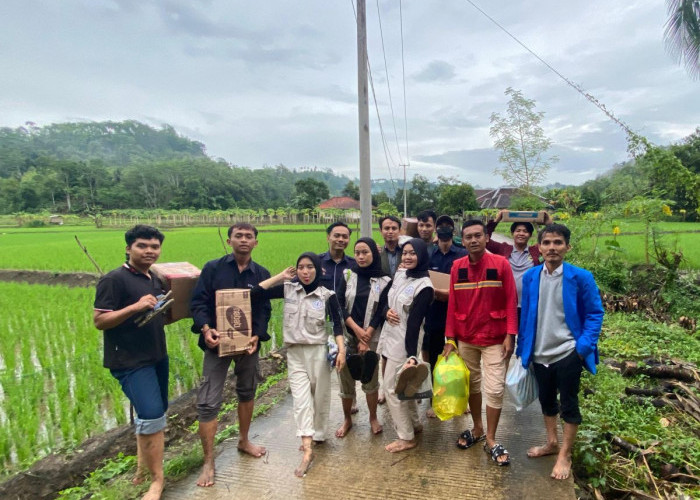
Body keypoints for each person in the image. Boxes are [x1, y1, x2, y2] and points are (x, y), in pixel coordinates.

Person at [516, 223, 604, 480]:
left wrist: (582, 348)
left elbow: (595, 313)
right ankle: (551, 443)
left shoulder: (581, 277)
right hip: (539, 353)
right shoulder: (531, 277)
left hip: (568, 352)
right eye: (547, 243)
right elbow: (527, 316)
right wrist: (523, 349)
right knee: (546, 401)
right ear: (539, 247)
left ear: (567, 246)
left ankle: (565, 454)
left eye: (557, 243)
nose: (552, 248)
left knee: (569, 404)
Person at [189, 223, 272, 488]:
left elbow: (263, 309)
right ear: (229, 241)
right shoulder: (213, 269)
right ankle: (209, 460)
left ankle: (244, 440)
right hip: (217, 344)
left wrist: (258, 335)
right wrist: (206, 329)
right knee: (208, 401)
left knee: (247, 391)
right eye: (239, 236)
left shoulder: (261, 273)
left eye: (249, 237)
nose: (244, 240)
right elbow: (198, 302)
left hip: (247, 344)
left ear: (256, 243)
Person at [252, 253, 346, 477]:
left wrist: (341, 350)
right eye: (301, 268)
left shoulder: (327, 295)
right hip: (294, 352)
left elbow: (337, 325)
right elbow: (255, 294)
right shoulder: (288, 289)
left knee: (320, 396)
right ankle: (307, 446)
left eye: (310, 267)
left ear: (319, 270)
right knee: (301, 399)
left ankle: (318, 434)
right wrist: (280, 277)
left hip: (319, 352)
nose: (305, 272)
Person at [93, 225, 168, 500]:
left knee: (153, 415)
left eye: (154, 247)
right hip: (130, 360)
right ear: (128, 248)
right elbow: (100, 320)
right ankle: (157, 480)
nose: (149, 251)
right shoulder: (113, 280)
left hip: (157, 355)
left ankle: (140, 468)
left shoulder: (154, 279)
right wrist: (136, 307)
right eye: (142, 246)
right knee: (151, 415)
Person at [443, 219, 518, 466]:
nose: (473, 240)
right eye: (468, 237)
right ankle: (477, 428)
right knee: (472, 385)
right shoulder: (457, 267)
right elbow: (453, 303)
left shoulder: (501, 264)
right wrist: (450, 338)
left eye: (478, 236)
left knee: (495, 388)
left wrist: (510, 334)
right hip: (466, 337)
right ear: (461, 241)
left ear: (486, 237)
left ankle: (492, 438)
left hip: (495, 338)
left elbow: (510, 300)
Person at [381, 238, 434, 453]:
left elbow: (414, 324)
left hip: (405, 342)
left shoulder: (425, 287)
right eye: (405, 253)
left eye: (413, 253)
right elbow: (387, 297)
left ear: (422, 255)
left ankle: (406, 436)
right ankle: (415, 423)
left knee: (392, 389)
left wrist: (412, 355)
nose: (408, 257)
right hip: (390, 336)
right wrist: (386, 310)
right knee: (406, 385)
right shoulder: (401, 273)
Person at [335, 237, 391, 437]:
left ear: (374, 254)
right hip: (349, 336)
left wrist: (367, 334)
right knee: (346, 379)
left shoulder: (384, 280)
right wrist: (356, 330)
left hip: (371, 336)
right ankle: (347, 419)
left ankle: (373, 417)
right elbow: (339, 304)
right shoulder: (348, 275)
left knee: (370, 379)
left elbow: (383, 308)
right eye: (357, 252)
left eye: (365, 252)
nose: (360, 256)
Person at [422, 215, 467, 417]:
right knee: (433, 358)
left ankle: (461, 399)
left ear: (453, 230)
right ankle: (434, 399)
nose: (445, 229)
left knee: (460, 358)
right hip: (433, 313)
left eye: (448, 226)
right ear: (436, 230)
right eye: (441, 226)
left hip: (458, 314)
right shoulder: (428, 254)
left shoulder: (462, 255)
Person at [486, 209, 552, 316]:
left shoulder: (537, 251)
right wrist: (496, 220)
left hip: (530, 305)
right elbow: (485, 240)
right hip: (506, 304)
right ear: (512, 233)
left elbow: (552, 239)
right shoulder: (503, 249)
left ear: (530, 235)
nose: (521, 233)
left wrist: (548, 223)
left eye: (525, 231)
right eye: (518, 230)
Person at [319, 221, 355, 294]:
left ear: (349, 240)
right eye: (336, 236)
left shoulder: (354, 264)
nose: (341, 239)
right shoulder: (316, 262)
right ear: (328, 238)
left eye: (345, 237)